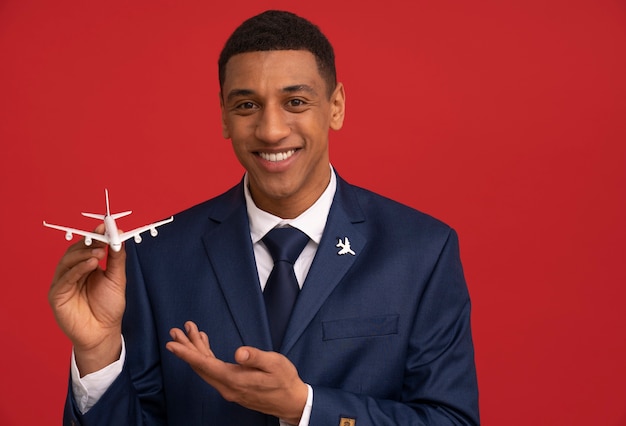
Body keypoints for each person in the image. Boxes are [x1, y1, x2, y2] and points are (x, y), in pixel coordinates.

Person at [49, 10, 479, 425]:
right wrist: (98, 353)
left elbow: (451, 419)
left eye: (295, 101)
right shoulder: (157, 257)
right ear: (223, 115)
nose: (271, 130)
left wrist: (306, 408)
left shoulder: (422, 251)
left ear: (336, 106)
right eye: (247, 105)